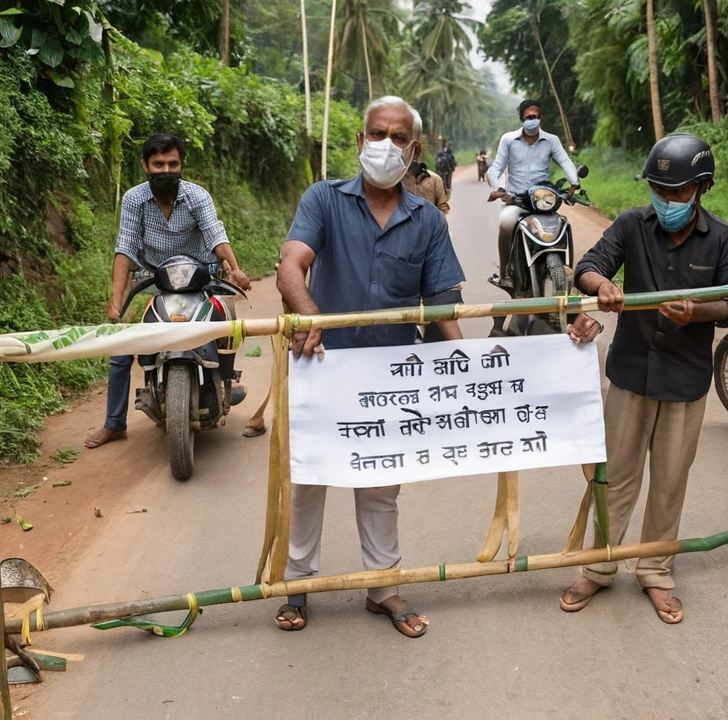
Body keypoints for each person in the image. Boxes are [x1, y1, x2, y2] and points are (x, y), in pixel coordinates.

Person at [273, 96, 466, 638]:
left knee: (382, 485)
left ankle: (383, 586)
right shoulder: (323, 200)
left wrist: (469, 370)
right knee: (311, 479)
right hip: (323, 366)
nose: (385, 144)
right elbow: (291, 266)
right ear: (359, 141)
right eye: (376, 133)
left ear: (414, 149)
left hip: (389, 379)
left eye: (398, 137)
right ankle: (298, 583)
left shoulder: (427, 221)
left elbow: (446, 304)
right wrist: (310, 317)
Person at [558, 134, 728, 625]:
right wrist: (603, 286)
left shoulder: (724, 239)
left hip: (685, 381)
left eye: (676, 192)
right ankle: (597, 569)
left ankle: (656, 572)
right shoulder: (629, 224)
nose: (665, 201)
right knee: (615, 478)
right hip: (631, 372)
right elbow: (589, 267)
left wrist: (697, 313)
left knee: (668, 482)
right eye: (658, 190)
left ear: (702, 187)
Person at [84, 133, 252, 449]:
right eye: (158, 164)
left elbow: (216, 234)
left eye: (172, 163)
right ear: (146, 166)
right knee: (121, 344)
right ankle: (114, 423)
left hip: (201, 274)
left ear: (181, 165)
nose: (165, 170)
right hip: (153, 277)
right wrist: (117, 299)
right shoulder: (134, 199)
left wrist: (234, 269)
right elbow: (126, 248)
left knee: (227, 322)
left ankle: (227, 382)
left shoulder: (197, 196)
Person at [485, 98, 580, 290]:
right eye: (528, 117)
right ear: (522, 118)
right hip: (516, 200)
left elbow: (565, 160)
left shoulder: (551, 140)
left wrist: (574, 183)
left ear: (540, 117)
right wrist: (500, 190)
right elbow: (496, 170)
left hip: (542, 199)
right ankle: (505, 275)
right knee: (505, 223)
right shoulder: (508, 140)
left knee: (562, 225)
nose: (532, 120)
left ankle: (568, 273)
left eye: (535, 116)